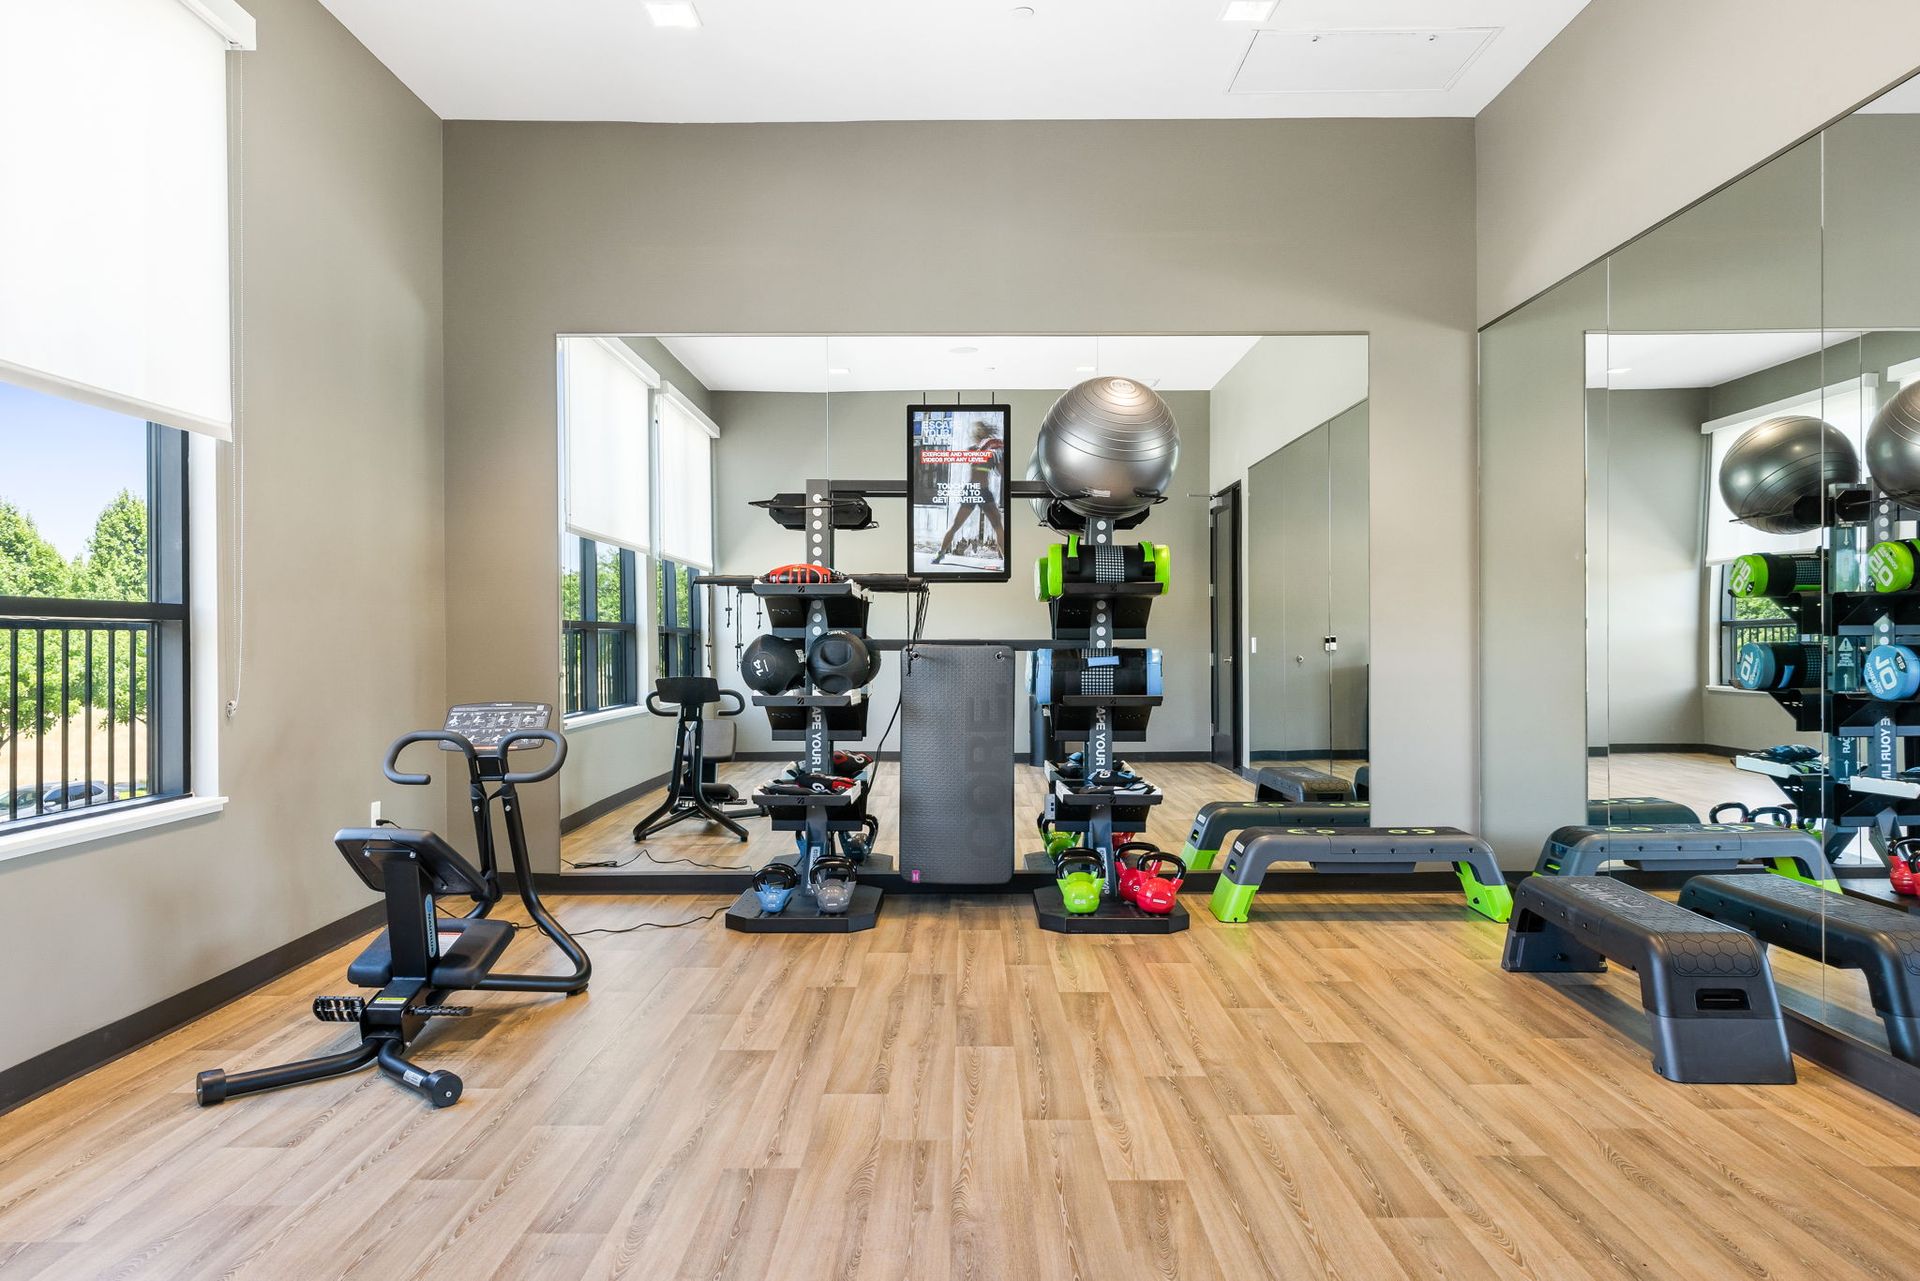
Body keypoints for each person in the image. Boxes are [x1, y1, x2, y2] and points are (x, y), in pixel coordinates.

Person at [932, 419, 1005, 565]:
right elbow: (975, 461)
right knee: (956, 525)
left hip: (984, 492)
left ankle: (1005, 559)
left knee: (998, 525)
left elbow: (1001, 472)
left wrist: (999, 456)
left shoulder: (992, 451)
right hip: (972, 491)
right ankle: (940, 553)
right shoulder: (973, 449)